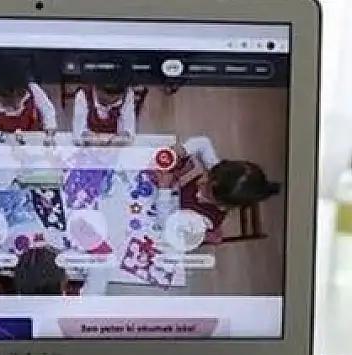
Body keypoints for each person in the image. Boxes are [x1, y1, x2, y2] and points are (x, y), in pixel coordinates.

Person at [155, 136, 283, 245]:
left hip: (162, 218)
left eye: (206, 193)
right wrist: (180, 153)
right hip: (165, 196)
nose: (200, 185)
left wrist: (164, 189)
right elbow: (203, 143)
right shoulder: (219, 176)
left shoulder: (206, 220)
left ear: (222, 206)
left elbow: (167, 225)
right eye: (206, 179)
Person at [0, 53, 58, 140]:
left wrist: (50, 128)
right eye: (7, 100)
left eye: (19, 96)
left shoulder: (32, 89)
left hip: (33, 139)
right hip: (2, 143)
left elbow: (48, 110)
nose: (14, 104)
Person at [71, 64, 138, 143]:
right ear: (96, 88)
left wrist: (116, 140)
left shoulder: (127, 95)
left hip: (116, 148)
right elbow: (78, 134)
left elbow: (129, 133)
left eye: (116, 95)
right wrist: (95, 140)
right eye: (108, 93)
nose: (112, 99)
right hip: (89, 148)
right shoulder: (83, 94)